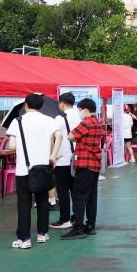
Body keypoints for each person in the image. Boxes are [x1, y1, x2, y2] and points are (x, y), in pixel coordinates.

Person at [6, 93, 62, 249]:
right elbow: (59, 136)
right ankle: (42, 234)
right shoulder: (48, 120)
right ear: (41, 106)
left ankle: (24, 239)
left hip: (24, 169)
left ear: (26, 105)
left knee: (24, 204)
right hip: (43, 167)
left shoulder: (17, 121)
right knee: (42, 201)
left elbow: (11, 146)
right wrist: (53, 156)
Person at [60, 98, 105, 240]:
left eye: (80, 110)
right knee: (91, 196)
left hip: (84, 163)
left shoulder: (86, 122)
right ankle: (90, 225)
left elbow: (70, 136)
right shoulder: (97, 122)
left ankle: (78, 228)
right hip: (94, 164)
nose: (79, 113)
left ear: (85, 110)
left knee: (79, 196)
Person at [49, 92, 81, 230]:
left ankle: (64, 219)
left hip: (62, 159)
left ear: (62, 103)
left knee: (62, 191)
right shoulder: (80, 116)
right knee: (76, 190)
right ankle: (77, 218)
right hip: (78, 158)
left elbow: (52, 135)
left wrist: (52, 155)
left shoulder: (60, 118)